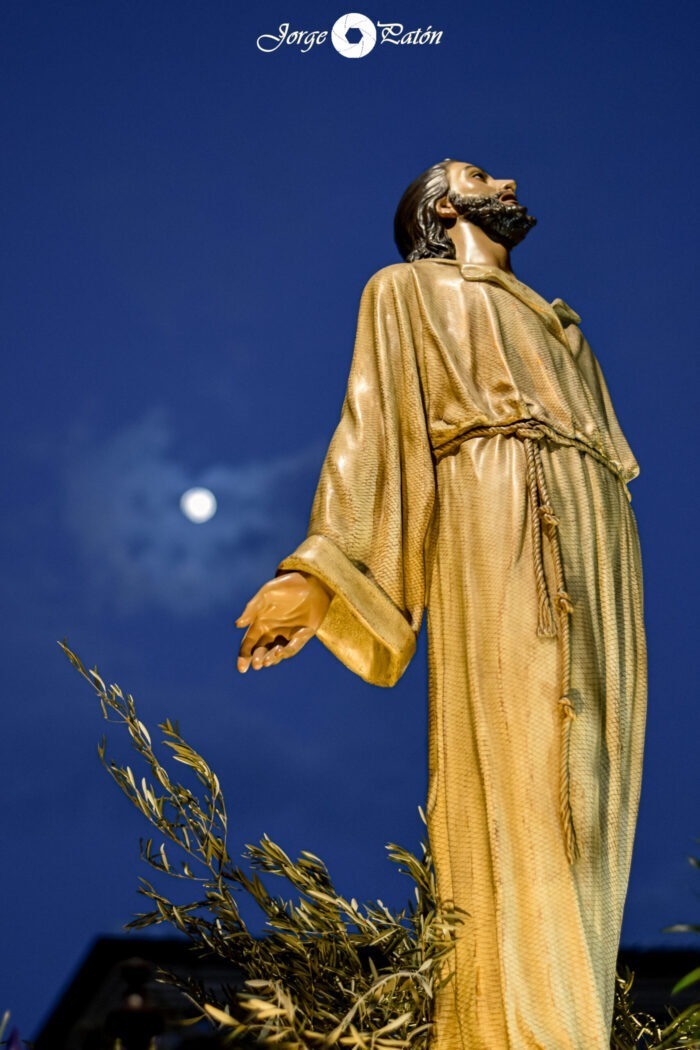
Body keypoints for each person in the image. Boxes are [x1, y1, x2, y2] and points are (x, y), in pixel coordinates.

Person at [235, 159, 647, 1049]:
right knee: (527, 770)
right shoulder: (405, 291)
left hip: (600, 535)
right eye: (478, 173)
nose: (507, 178)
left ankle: (578, 1020)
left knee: (595, 786)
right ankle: (516, 1028)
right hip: (497, 507)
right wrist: (320, 572)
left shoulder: (563, 327)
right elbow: (374, 425)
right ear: (443, 207)